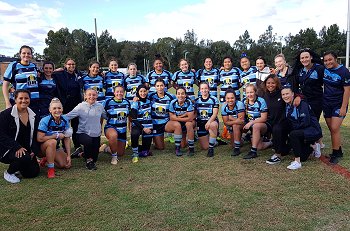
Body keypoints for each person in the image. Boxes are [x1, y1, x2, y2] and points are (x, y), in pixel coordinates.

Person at [0, 89, 40, 183]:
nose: (24, 100)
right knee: (24, 157)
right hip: (7, 148)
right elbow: (1, 135)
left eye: (26, 98)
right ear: (15, 99)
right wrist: (17, 147)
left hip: (25, 149)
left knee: (33, 173)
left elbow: (35, 136)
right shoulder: (5, 115)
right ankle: (9, 173)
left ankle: (19, 166)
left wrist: (34, 150)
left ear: (30, 99)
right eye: (20, 98)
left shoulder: (34, 115)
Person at [281, 86, 322, 170]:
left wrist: (293, 129)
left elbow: (305, 122)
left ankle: (297, 162)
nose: (285, 96)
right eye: (283, 94)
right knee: (303, 157)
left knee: (293, 134)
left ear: (293, 94)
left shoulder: (301, 104)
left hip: (312, 129)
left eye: (287, 93)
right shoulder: (287, 105)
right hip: (301, 130)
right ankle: (313, 146)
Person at [65, 88, 106, 170]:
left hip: (96, 135)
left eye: (94, 95)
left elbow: (107, 116)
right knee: (88, 143)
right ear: (85, 96)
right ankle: (88, 162)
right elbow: (68, 116)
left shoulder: (100, 106)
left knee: (95, 158)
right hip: (82, 133)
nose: (92, 96)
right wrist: (56, 117)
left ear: (97, 96)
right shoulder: (80, 106)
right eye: (89, 94)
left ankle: (80, 154)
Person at [323, 51, 350, 164]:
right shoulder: (324, 69)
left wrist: (343, 107)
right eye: (325, 60)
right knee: (332, 129)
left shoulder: (344, 71)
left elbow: (347, 90)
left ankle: (335, 154)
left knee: (334, 128)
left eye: (330, 59)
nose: (328, 62)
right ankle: (338, 151)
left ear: (336, 59)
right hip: (326, 103)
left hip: (338, 104)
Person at [54, 58, 83, 156]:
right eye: (69, 64)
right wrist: (55, 70)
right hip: (64, 104)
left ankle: (77, 146)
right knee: (62, 125)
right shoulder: (59, 74)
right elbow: (47, 72)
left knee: (76, 126)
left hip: (76, 104)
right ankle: (61, 147)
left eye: (73, 64)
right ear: (65, 65)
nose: (71, 66)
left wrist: (101, 73)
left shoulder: (78, 74)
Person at [37, 98, 71, 178]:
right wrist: (56, 135)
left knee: (65, 164)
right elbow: (39, 138)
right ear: (50, 110)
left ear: (62, 109)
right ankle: (50, 169)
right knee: (52, 141)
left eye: (59, 108)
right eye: (54, 108)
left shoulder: (65, 119)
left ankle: (47, 159)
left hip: (55, 147)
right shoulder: (45, 120)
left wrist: (69, 155)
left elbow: (67, 137)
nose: (57, 110)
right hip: (42, 148)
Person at [261, 75, 292, 165]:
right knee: (285, 150)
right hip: (270, 122)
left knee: (277, 129)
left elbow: (293, 96)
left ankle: (277, 156)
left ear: (277, 83)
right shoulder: (264, 94)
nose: (270, 85)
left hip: (282, 121)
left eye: (273, 83)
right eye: (268, 83)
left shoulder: (281, 93)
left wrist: (298, 98)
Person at [2, 45, 40, 115]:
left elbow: (43, 75)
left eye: (29, 53)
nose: (26, 55)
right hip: (20, 101)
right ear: (20, 54)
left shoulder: (34, 66)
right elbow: (5, 85)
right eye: (24, 53)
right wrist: (7, 102)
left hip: (34, 102)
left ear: (31, 55)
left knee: (34, 124)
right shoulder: (14, 66)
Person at [242, 84, 272, 159]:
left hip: (262, 125)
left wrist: (251, 122)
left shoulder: (261, 101)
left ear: (255, 92)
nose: (249, 94)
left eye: (251, 92)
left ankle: (253, 151)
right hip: (251, 126)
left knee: (256, 126)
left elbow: (264, 118)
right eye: (247, 92)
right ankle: (238, 144)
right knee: (260, 147)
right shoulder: (244, 101)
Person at [103, 86, 130, 164]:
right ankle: (114, 157)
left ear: (124, 92)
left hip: (122, 130)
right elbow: (100, 113)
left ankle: (106, 148)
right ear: (114, 92)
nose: (119, 93)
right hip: (111, 127)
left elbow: (130, 117)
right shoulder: (107, 102)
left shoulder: (127, 102)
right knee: (113, 135)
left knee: (121, 153)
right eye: (117, 91)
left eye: (121, 91)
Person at [166, 87, 195, 156]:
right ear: (176, 95)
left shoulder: (188, 102)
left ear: (185, 95)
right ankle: (177, 148)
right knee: (182, 144)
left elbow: (190, 118)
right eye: (178, 94)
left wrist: (178, 117)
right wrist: (184, 116)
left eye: (182, 94)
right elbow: (171, 118)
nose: (180, 95)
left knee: (189, 124)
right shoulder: (173, 102)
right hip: (178, 124)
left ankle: (191, 148)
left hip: (186, 122)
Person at [149, 79, 176, 150]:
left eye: (161, 85)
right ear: (155, 87)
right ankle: (154, 139)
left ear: (165, 86)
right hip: (156, 124)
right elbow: (141, 96)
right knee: (160, 147)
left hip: (166, 122)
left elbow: (180, 99)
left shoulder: (171, 96)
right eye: (157, 86)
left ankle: (179, 143)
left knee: (177, 125)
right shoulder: (151, 96)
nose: (160, 88)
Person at [194, 82, 219, 157]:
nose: (204, 90)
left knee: (212, 125)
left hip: (211, 121)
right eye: (202, 88)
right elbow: (194, 114)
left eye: (205, 88)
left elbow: (215, 114)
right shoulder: (196, 101)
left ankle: (211, 149)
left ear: (208, 89)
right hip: (200, 123)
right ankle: (215, 141)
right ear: (199, 90)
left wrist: (209, 122)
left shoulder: (214, 99)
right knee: (204, 147)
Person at [130, 85, 153, 163]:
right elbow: (134, 119)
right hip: (138, 125)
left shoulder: (150, 100)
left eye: (144, 91)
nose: (143, 93)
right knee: (134, 133)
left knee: (145, 153)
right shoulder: (136, 102)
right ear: (138, 92)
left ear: (147, 91)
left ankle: (138, 147)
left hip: (148, 126)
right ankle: (135, 153)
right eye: (141, 91)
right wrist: (143, 128)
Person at [221, 88, 245, 156]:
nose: (230, 100)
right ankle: (243, 138)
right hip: (231, 127)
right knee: (233, 145)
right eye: (228, 98)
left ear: (235, 98)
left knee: (235, 125)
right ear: (225, 99)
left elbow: (241, 121)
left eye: (232, 98)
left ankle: (237, 149)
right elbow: (225, 122)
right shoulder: (224, 106)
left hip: (243, 125)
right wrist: (236, 120)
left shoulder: (239, 104)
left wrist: (231, 118)